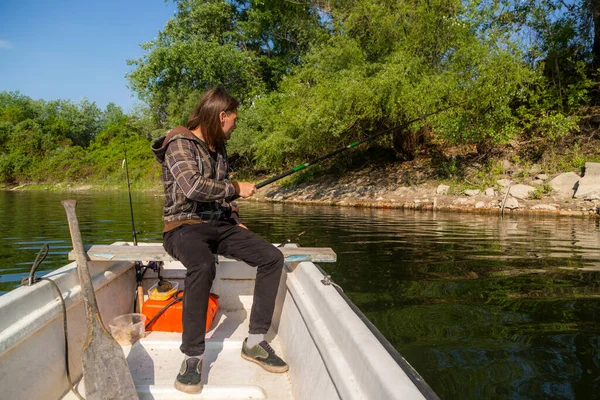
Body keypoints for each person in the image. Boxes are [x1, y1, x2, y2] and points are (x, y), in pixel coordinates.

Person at [151, 87, 288, 394]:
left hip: (220, 225)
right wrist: (237, 188)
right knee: (201, 264)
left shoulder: (219, 147)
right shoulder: (178, 142)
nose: (235, 127)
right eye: (233, 121)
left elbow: (222, 190)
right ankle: (192, 356)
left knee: (272, 258)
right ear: (222, 116)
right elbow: (193, 188)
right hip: (182, 227)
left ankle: (254, 341)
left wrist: (236, 218)